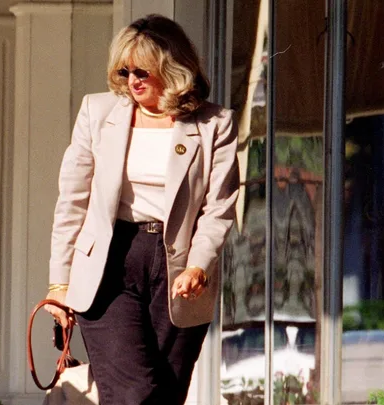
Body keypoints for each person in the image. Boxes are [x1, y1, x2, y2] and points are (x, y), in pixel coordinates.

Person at [44, 14, 239, 405]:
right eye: (124, 70)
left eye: (143, 71)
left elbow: (219, 207)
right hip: (108, 264)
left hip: (179, 268)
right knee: (133, 394)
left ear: (172, 68)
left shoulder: (215, 123)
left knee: (164, 396)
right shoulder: (97, 113)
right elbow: (72, 200)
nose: (132, 80)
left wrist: (199, 264)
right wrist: (58, 283)